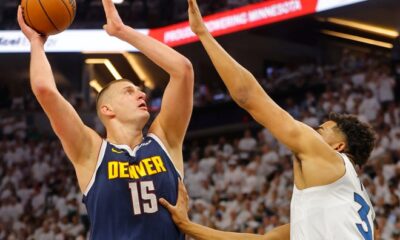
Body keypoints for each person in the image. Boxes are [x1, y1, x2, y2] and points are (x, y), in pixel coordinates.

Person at [159, 0, 376, 239]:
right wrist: (189, 227)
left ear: (338, 147)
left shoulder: (330, 160)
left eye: (321, 130)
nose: (314, 132)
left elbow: (247, 96)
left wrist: (202, 33)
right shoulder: (347, 201)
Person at [17, 0, 194, 238]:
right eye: (128, 91)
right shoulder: (91, 151)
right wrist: (36, 43)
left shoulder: (165, 140)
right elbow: (44, 89)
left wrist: (122, 31)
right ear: (107, 109)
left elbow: (182, 70)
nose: (141, 94)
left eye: (139, 90)